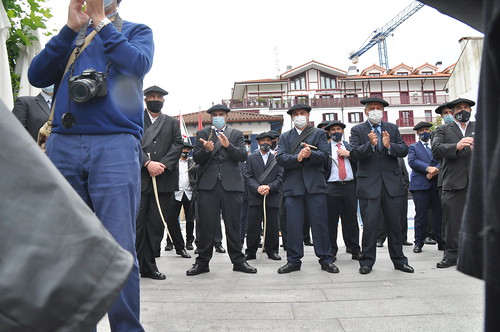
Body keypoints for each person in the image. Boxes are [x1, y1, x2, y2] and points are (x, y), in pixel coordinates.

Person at [27, 0, 153, 329]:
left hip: (116, 142)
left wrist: (101, 22)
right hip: (64, 142)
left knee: (118, 246)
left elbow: (137, 64)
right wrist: (71, 27)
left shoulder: (135, 31)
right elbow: (37, 75)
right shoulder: (70, 36)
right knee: (67, 245)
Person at [187, 104, 257, 276]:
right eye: (215, 115)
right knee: (206, 225)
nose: (218, 117)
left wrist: (228, 146)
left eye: (221, 114)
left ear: (227, 116)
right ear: (211, 118)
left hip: (231, 184)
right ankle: (202, 262)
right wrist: (205, 150)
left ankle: (238, 261)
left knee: (233, 225)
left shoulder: (236, 134)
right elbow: (196, 158)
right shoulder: (202, 134)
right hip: (208, 185)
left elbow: (242, 156)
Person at [349, 97, 413, 275]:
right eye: (372, 108)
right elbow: (353, 153)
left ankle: (399, 260)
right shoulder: (357, 130)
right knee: (370, 226)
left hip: (392, 185)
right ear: (366, 111)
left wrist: (389, 145)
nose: (375, 111)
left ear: (383, 112)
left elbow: (404, 150)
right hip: (369, 185)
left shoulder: (392, 128)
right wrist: (370, 145)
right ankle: (367, 262)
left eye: (378, 108)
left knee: (395, 225)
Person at [276, 103, 338, 274]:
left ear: (308, 116)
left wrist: (310, 155)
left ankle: (325, 258)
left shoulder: (319, 134)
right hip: (293, 187)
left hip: (315, 186)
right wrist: (298, 157)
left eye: (302, 113)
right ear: (291, 118)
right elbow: (280, 158)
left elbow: (325, 156)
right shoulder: (285, 137)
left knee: (320, 224)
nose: (299, 116)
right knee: (294, 225)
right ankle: (293, 260)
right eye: (295, 114)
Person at [136, 85, 185, 280]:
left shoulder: (172, 123)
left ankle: (149, 266)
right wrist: (147, 163)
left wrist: (162, 165)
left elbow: (178, 144)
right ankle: (134, 265)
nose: (155, 99)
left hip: (163, 181)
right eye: (151, 96)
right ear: (145, 99)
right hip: (139, 180)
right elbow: (130, 141)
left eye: (158, 96)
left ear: (163, 100)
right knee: (137, 224)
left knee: (155, 226)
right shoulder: (135, 118)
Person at [432, 97, 475, 268]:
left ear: (470, 110)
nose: (462, 110)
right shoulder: (443, 129)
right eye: (458, 108)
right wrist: (456, 146)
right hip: (453, 182)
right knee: (453, 221)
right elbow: (436, 150)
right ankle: (451, 256)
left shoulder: (479, 127)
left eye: (465, 107)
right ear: (452, 111)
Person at [324, 120, 362, 261]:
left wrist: (349, 154)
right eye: (333, 130)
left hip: (349, 186)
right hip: (331, 187)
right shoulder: (325, 148)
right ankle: (331, 250)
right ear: (329, 132)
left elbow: (360, 161)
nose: (336, 132)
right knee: (331, 221)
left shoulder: (351, 147)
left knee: (351, 220)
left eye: (338, 129)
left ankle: (354, 249)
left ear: (343, 131)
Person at [244, 131, 283, 261]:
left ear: (272, 142)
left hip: (272, 196)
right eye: (263, 140)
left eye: (268, 140)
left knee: (272, 226)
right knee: (253, 226)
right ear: (258, 142)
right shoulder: (251, 158)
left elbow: (281, 178)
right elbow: (247, 176)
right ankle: (251, 251)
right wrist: (257, 188)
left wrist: (270, 187)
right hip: (255, 197)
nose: (265, 143)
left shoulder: (277, 158)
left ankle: (272, 251)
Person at [408, 121, 443, 253]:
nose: (425, 132)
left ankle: (441, 241)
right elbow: (412, 162)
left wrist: (435, 170)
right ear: (417, 133)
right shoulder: (413, 147)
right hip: (420, 186)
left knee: (438, 215)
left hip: (436, 184)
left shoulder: (436, 146)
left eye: (427, 130)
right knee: (421, 215)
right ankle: (418, 242)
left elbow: (442, 160)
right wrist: (428, 169)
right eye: (422, 130)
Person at [167, 142, 197, 251]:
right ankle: (170, 241)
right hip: (176, 193)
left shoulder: (193, 163)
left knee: (190, 219)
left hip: (189, 193)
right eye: (183, 149)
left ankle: (189, 241)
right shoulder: (174, 162)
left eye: (187, 149)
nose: (185, 151)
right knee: (171, 218)